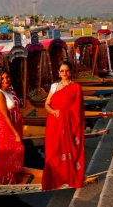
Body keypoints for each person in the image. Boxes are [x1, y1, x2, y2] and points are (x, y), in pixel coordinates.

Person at [42, 60, 85, 191]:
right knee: (54, 151)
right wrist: (54, 112)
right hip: (54, 123)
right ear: (58, 73)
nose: (64, 73)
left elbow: (78, 109)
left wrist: (67, 115)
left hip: (69, 124)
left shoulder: (76, 87)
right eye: (62, 71)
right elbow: (46, 104)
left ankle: (68, 176)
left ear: (70, 72)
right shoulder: (54, 86)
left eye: (67, 70)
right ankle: (56, 176)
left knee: (69, 149)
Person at [0, 68, 24, 184]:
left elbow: (16, 105)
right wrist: (15, 133)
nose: (5, 80)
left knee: (16, 151)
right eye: (2, 78)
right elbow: (6, 116)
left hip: (15, 124)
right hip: (6, 128)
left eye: (7, 77)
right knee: (9, 153)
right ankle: (6, 179)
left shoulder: (10, 90)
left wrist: (20, 116)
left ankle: (15, 174)